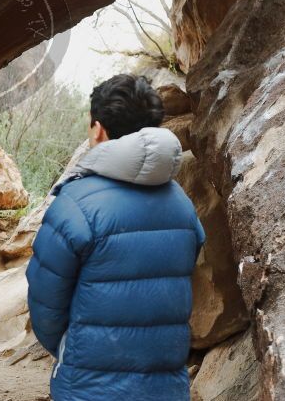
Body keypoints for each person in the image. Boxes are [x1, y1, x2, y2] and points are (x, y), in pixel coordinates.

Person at [26, 74, 205, 401]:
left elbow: (45, 299)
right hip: (166, 387)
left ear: (97, 129)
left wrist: (69, 346)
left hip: (89, 386)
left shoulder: (76, 203)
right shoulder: (181, 202)